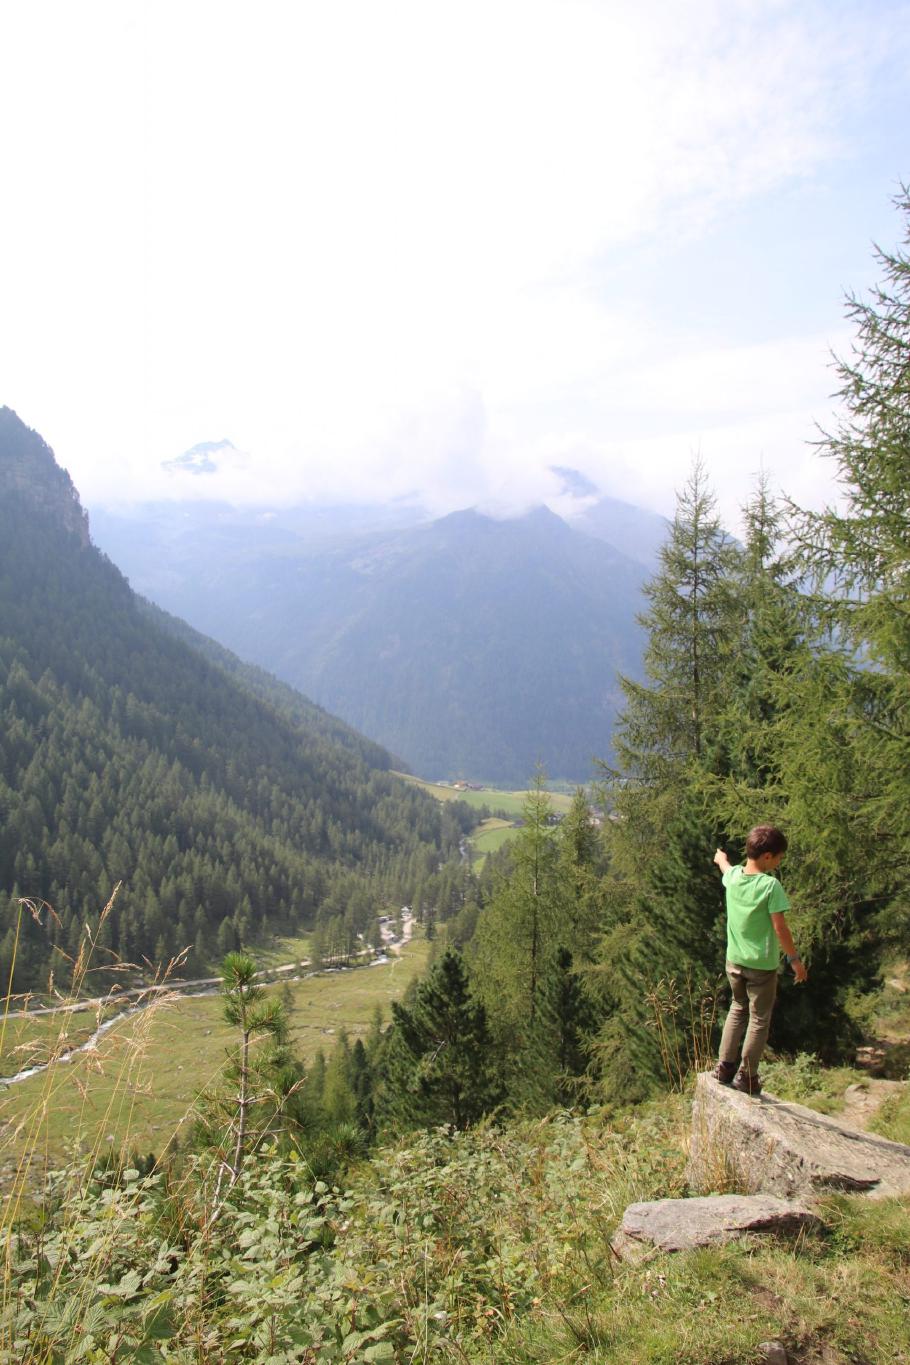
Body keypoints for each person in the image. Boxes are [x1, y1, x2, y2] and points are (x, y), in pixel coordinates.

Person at [712, 824, 807, 1095]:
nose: (779, 862)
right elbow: (780, 928)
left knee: (737, 1008)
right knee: (759, 1018)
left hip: (734, 962)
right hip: (761, 966)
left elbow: (726, 868)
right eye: (779, 857)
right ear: (767, 856)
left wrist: (720, 858)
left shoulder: (734, 878)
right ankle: (747, 1076)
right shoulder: (770, 886)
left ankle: (724, 1067)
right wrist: (794, 960)